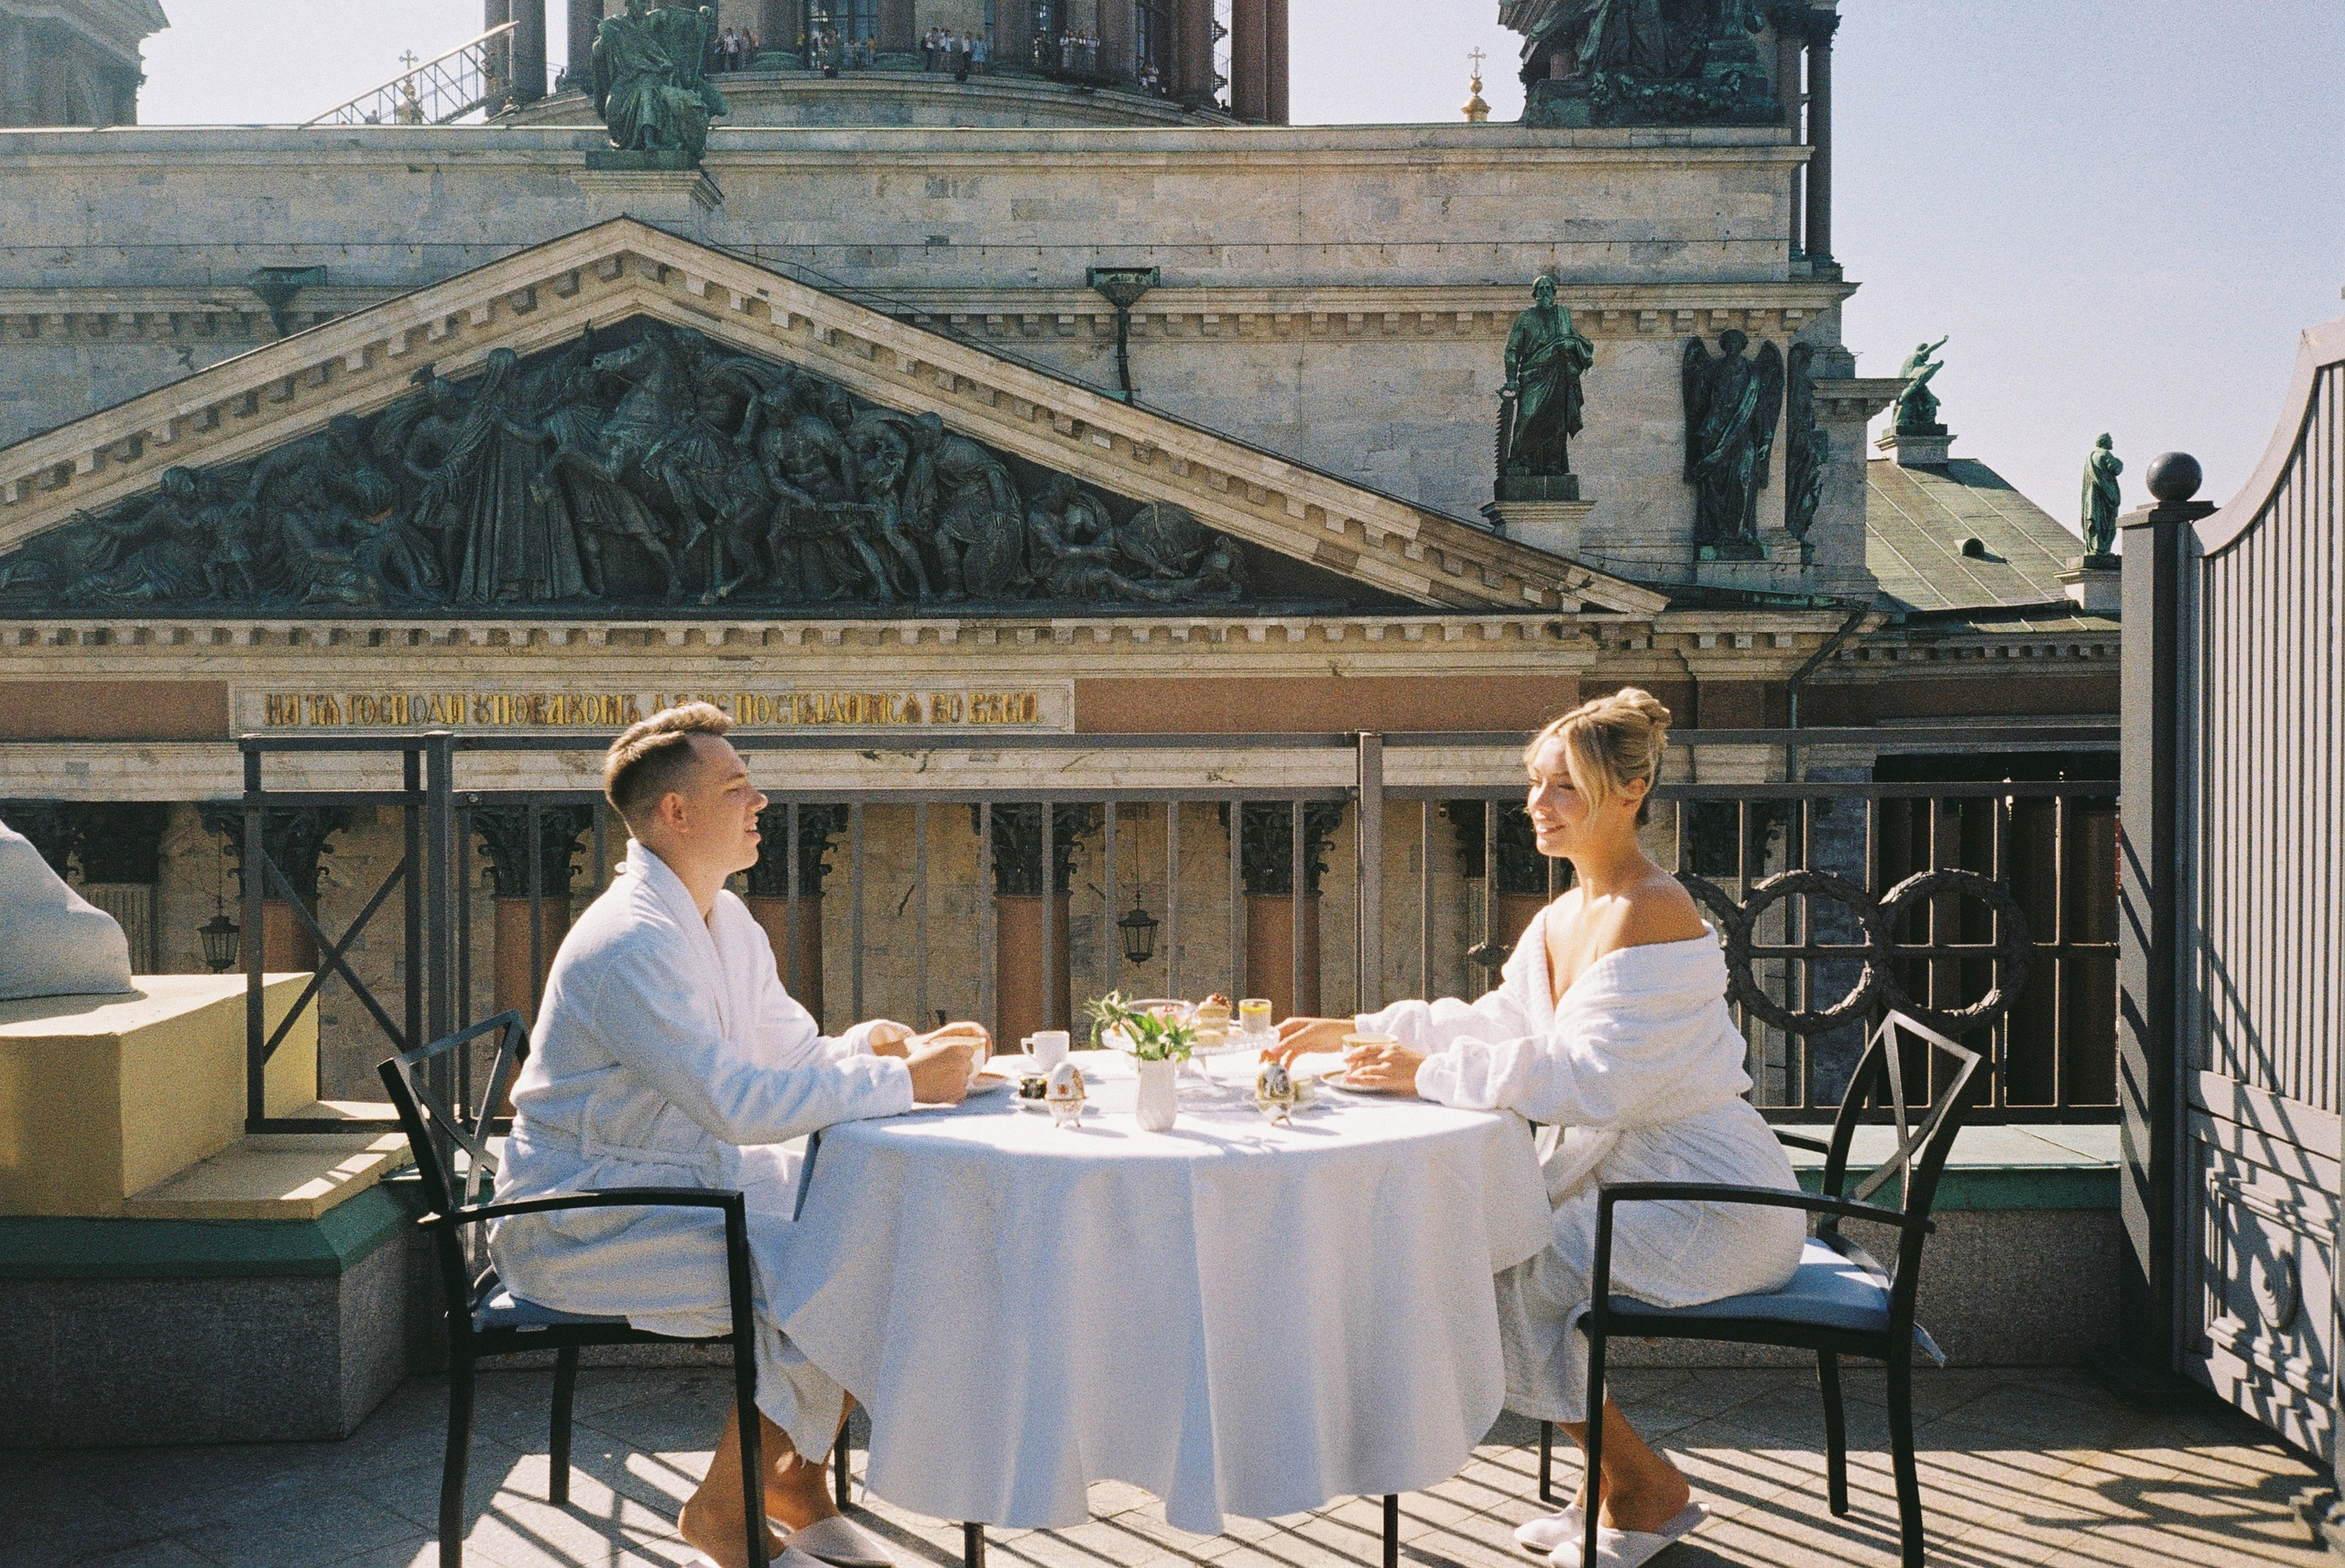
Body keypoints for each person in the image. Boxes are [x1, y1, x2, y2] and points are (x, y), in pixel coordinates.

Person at [1269, 689, 1803, 1568]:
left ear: (1629, 793)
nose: (1536, 806)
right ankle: (1615, 1485)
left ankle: (1644, 1489)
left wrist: (1427, 1075)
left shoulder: (1652, 910)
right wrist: (1362, 1032)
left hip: (1718, 1204)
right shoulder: (1564, 916)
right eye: (1534, 784)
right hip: (1639, 1188)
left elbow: (1590, 1080)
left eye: (1562, 788)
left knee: (1518, 1267)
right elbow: (1502, 1026)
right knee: (1507, 1256)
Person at [489, 703, 988, 1568]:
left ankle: (796, 1486)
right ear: (675, 813)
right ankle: (728, 1515)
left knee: (872, 1234)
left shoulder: (723, 919)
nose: (760, 801)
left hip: (673, 1185)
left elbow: (789, 1056)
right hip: (581, 1220)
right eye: (736, 787)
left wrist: (869, 1045)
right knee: (829, 1266)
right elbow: (736, 1105)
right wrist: (906, 1084)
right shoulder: (629, 942)